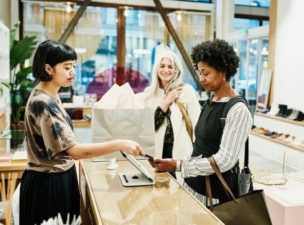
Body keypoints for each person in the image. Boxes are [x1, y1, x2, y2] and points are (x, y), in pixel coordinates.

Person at [20, 40, 145, 225]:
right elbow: (75, 151)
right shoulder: (44, 103)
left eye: (73, 66)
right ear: (48, 69)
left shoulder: (51, 95)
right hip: (49, 184)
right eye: (66, 67)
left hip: (57, 177)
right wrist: (121, 144)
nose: (72, 72)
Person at [153, 39, 253, 205]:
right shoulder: (211, 100)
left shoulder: (238, 110)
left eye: (206, 73)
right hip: (193, 186)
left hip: (215, 195)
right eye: (199, 73)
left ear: (223, 71)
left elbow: (224, 161)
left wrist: (178, 165)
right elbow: (200, 147)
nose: (201, 78)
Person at [141, 49, 201, 178]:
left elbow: (197, 123)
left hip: (180, 150)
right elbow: (147, 127)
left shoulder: (186, 91)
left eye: (170, 67)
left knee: (180, 190)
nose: (166, 70)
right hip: (156, 151)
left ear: (177, 71)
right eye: (162, 66)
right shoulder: (149, 94)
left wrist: (199, 155)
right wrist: (166, 102)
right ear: (156, 69)